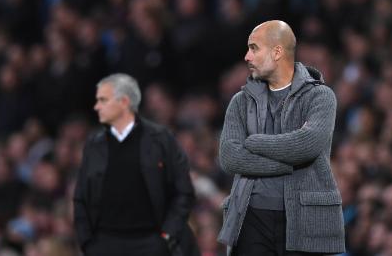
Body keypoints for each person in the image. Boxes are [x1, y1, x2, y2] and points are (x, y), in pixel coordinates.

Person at [217, 20, 346, 256]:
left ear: (277, 52)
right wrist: (290, 162)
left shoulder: (320, 96)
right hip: (250, 218)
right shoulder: (240, 101)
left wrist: (254, 142)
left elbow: (307, 144)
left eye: (254, 48)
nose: (247, 56)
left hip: (305, 220)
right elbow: (229, 157)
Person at [73, 73, 200, 256]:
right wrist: (87, 242)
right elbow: (81, 199)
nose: (97, 106)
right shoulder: (94, 144)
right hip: (106, 245)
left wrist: (167, 235)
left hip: (151, 244)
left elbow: (184, 192)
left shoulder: (161, 139)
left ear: (124, 102)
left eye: (103, 100)